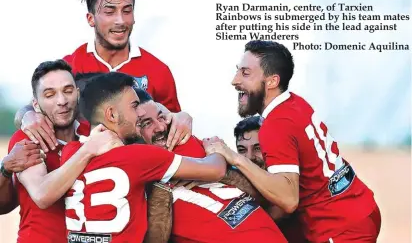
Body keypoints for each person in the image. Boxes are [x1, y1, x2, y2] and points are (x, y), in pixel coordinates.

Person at [206, 40, 381, 242]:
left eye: (245, 73)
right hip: (360, 207)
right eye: (238, 71)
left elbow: (288, 200)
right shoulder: (294, 103)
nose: (234, 80)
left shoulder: (276, 125)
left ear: (271, 81)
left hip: (340, 229)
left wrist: (234, 158)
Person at [62, 72, 227, 243]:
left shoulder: (70, 153)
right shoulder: (139, 156)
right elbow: (216, 170)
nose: (140, 112)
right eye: (134, 106)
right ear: (112, 115)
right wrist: (215, 148)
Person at [14, 0, 190, 154]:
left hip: (141, 175)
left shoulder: (158, 70)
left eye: (127, 11)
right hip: (79, 170)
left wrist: (183, 118)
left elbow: (171, 126)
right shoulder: (70, 66)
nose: (120, 20)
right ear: (91, 19)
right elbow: (37, 106)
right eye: (109, 11)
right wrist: (26, 116)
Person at [133, 90, 287, 243]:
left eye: (161, 117)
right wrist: (163, 187)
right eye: (146, 123)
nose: (161, 127)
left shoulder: (194, 144)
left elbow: (266, 201)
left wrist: (214, 166)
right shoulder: (134, 178)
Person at [2, 59, 122, 243]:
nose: (62, 101)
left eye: (68, 91)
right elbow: (42, 196)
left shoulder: (94, 130)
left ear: (77, 93)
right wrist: (88, 150)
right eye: (50, 95)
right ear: (36, 104)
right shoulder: (26, 138)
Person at [233, 116, 306, 243]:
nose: (249, 157)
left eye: (257, 148)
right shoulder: (239, 178)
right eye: (242, 150)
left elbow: (276, 212)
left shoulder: (289, 176)